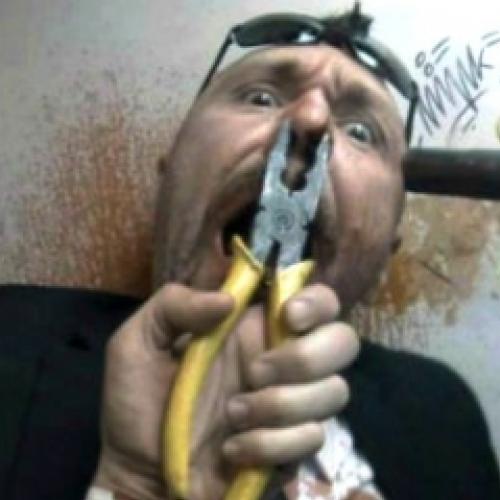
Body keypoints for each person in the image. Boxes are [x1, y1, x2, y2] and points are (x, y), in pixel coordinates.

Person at [0, 5, 499, 500]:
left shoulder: (444, 418)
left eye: (361, 133)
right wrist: (133, 488)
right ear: (170, 173)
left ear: (388, 247)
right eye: (260, 98)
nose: (311, 118)